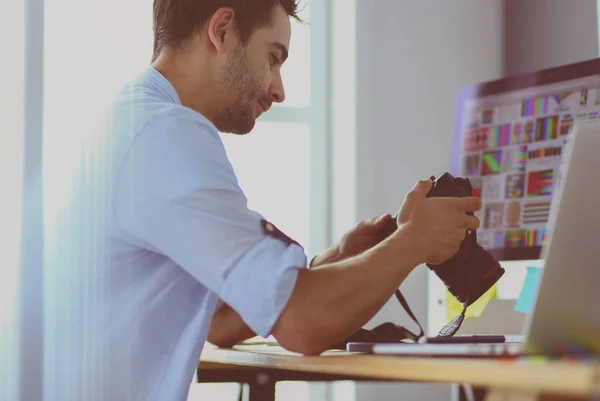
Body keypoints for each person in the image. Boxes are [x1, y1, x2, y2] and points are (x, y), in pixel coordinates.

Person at [53, 0, 481, 400]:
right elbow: (302, 324)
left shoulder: (132, 122)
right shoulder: (164, 133)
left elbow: (221, 319)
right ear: (222, 29)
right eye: (273, 58)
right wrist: (413, 241)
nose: (279, 91)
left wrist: (334, 262)